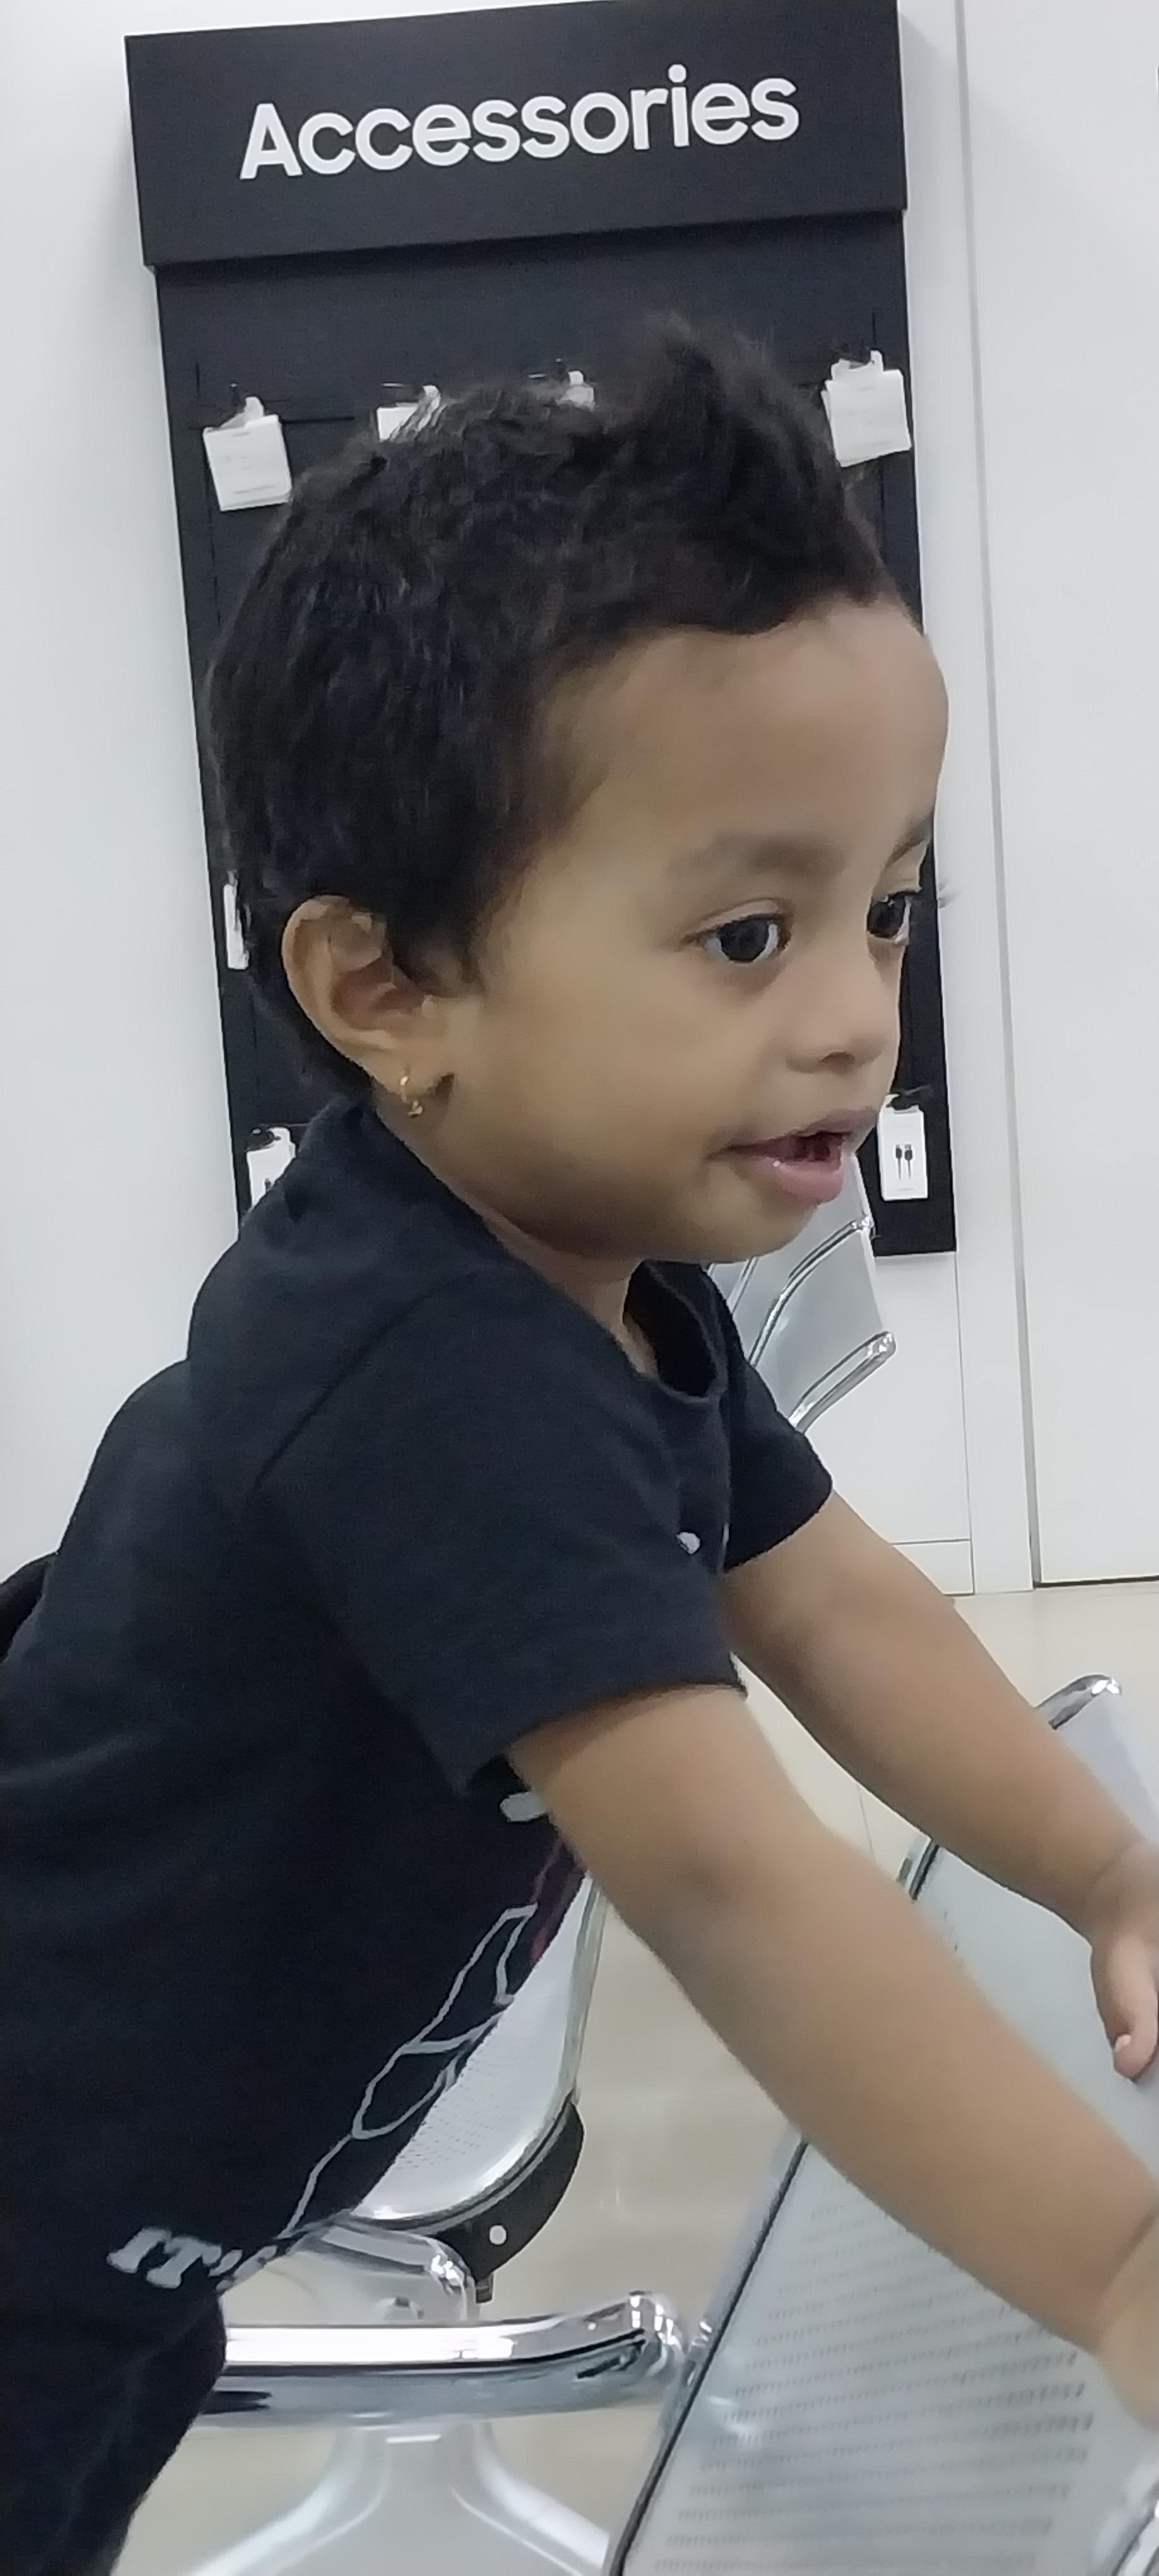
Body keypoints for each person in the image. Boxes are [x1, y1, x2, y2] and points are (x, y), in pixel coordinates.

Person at [3, 323, 1157, 2576]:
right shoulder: (428, 1374)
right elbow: (728, 1879)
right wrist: (1113, 2271)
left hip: (119, 2241)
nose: (852, 1013)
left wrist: (1108, 1879)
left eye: (881, 909)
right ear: (387, 993)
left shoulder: (590, 1279)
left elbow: (832, 1603)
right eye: (744, 934)